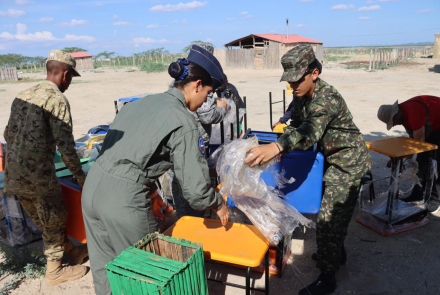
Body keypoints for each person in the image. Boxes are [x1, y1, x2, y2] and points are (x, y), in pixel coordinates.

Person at [81, 45, 230, 295]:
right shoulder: (184, 121)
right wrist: (218, 203)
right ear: (196, 85)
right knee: (145, 274)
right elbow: (195, 191)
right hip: (122, 201)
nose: (206, 99)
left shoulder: (144, 102)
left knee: (107, 270)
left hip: (93, 187)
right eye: (207, 92)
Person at [245, 44, 371, 295]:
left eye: (297, 80)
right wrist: (269, 142)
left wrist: (277, 147)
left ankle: (327, 277)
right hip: (327, 158)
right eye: (289, 82)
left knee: (327, 219)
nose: (293, 86)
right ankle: (335, 252)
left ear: (314, 72)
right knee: (333, 219)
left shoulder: (326, 99)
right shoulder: (301, 95)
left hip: (347, 162)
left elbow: (310, 132)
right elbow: (297, 126)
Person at [3, 50, 89, 285]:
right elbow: (67, 146)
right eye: (71, 77)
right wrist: (80, 176)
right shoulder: (57, 100)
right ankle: (54, 271)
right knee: (53, 219)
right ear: (64, 74)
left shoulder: (23, 94)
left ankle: (71, 250)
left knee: (42, 220)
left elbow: (7, 134)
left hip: (13, 175)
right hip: (39, 177)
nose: (69, 83)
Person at [377, 96, 440, 203]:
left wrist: (400, 159)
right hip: (433, 125)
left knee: (436, 163)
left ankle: (434, 198)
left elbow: (419, 143)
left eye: (394, 121)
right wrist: (405, 160)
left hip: (437, 125)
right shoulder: (403, 116)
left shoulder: (413, 112)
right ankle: (417, 195)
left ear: (396, 114)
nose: (394, 125)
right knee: (422, 161)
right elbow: (412, 142)